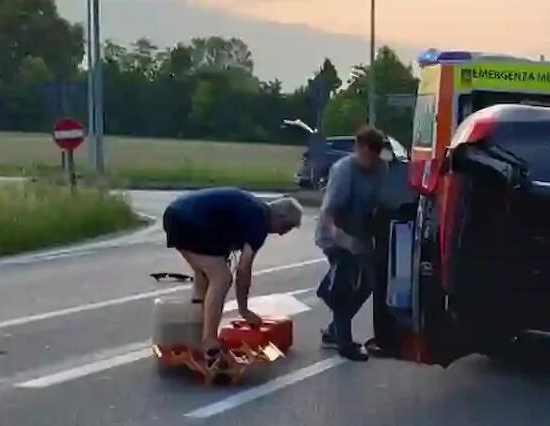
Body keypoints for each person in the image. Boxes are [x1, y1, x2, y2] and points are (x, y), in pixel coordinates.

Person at [163, 188, 304, 367]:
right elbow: (244, 269)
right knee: (221, 278)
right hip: (190, 221)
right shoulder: (259, 220)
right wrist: (244, 310)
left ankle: (193, 334)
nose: (283, 233)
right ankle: (209, 343)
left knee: (205, 275)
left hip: (176, 214)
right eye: (286, 227)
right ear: (280, 215)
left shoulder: (252, 209)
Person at [316, 125, 387, 361]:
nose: (371, 159)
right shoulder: (344, 170)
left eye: (376, 153)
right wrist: (345, 242)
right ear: (358, 148)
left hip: (360, 234)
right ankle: (344, 343)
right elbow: (328, 213)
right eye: (368, 153)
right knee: (344, 285)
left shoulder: (381, 169)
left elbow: (380, 202)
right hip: (336, 234)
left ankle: (333, 328)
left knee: (369, 283)